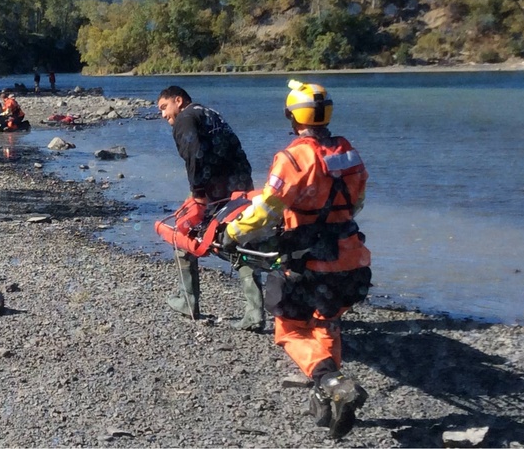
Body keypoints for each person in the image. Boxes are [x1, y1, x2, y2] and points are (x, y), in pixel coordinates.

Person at [220, 80, 371, 439]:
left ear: (292, 116)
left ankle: (328, 379)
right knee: (327, 322)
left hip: (307, 261)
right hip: (350, 256)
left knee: (288, 330)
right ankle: (331, 396)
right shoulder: (349, 153)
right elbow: (358, 202)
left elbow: (267, 211)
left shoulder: (293, 157)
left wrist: (233, 233)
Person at [156, 85, 254, 321]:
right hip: (240, 186)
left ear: (178, 101)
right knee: (241, 242)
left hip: (214, 191)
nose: (163, 115)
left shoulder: (185, 120)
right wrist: (246, 188)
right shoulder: (211, 113)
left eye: (164, 107)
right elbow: (236, 149)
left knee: (182, 231)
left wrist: (198, 194)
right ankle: (255, 312)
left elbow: (195, 155)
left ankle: (188, 301)